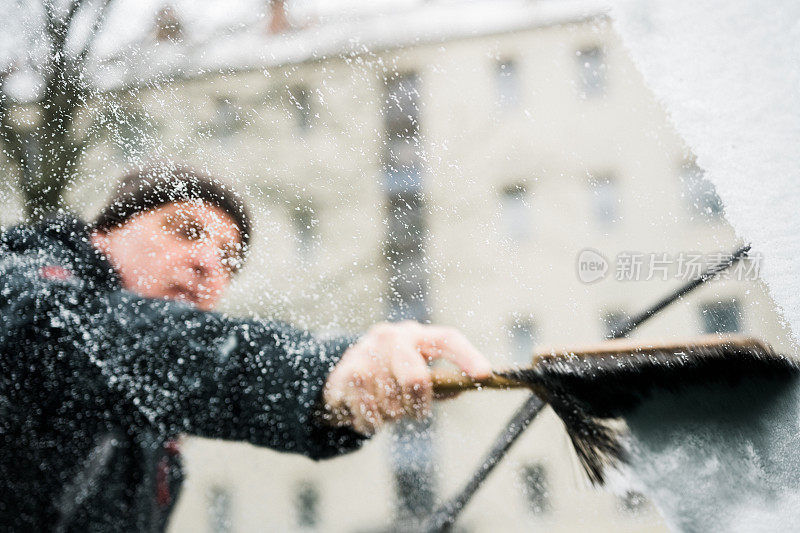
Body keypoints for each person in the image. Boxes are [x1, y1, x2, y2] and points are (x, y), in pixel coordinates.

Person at [0, 164, 491, 531]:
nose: (208, 264)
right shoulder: (22, 288)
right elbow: (83, 335)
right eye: (186, 231)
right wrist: (315, 372)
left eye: (229, 261)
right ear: (104, 233)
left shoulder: (156, 428)